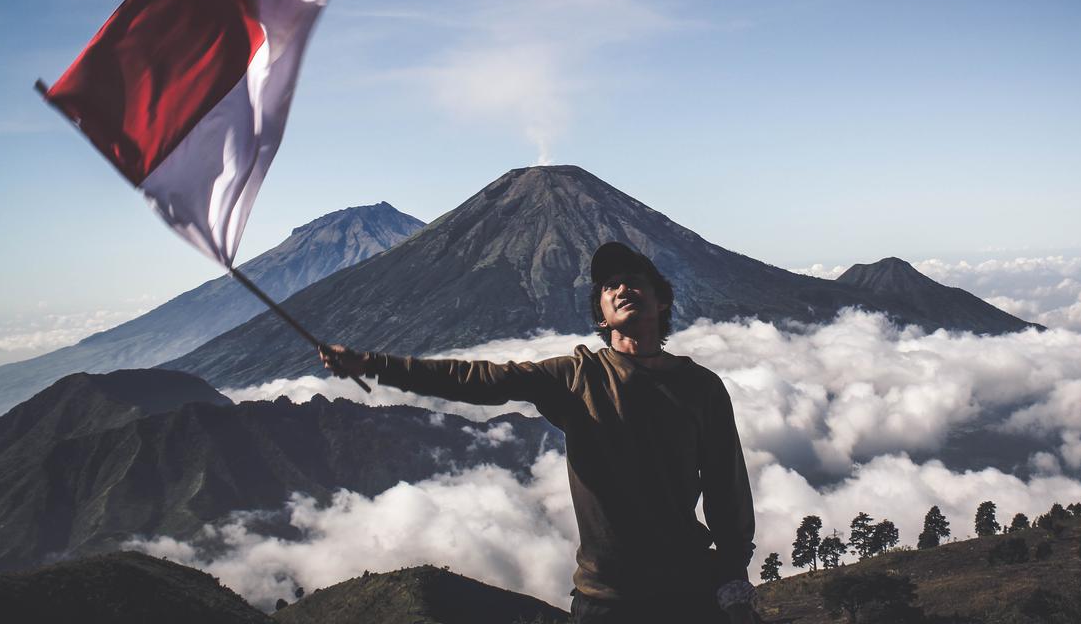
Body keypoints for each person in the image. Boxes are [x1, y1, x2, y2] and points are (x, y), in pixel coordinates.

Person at [320, 242, 759, 623]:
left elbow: (726, 488)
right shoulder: (578, 376)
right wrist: (376, 364)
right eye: (610, 287)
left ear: (662, 301)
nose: (622, 288)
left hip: (689, 591)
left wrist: (735, 584)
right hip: (607, 601)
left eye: (633, 280)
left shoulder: (701, 387)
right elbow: (480, 378)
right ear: (601, 318)